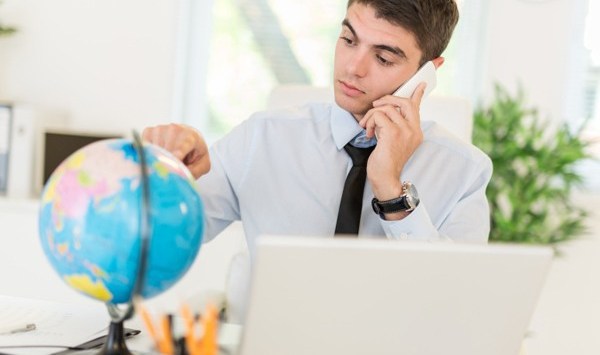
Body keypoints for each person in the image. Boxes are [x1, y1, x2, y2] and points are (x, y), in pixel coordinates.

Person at [143, 0, 492, 250]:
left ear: (428, 72)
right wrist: (167, 174)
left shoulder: (465, 172)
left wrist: (389, 187)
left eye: (383, 57)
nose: (353, 67)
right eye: (349, 40)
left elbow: (453, 300)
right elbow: (160, 240)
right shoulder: (261, 139)